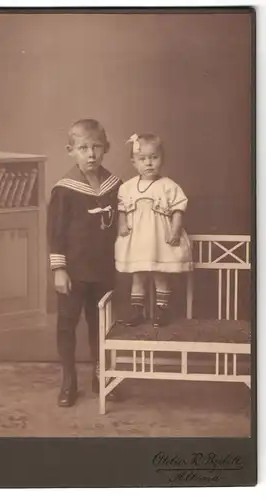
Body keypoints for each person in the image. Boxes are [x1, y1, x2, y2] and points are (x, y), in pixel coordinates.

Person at [47, 119, 122, 407]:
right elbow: (55, 233)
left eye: (96, 147)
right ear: (71, 150)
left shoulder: (117, 186)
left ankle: (101, 376)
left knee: (101, 325)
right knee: (67, 324)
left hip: (103, 270)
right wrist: (59, 269)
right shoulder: (64, 189)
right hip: (73, 272)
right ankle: (69, 382)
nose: (91, 154)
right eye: (83, 148)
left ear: (106, 148)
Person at [115, 133, 193, 327]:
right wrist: (123, 224)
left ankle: (161, 310)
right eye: (143, 159)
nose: (148, 163)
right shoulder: (128, 187)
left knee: (160, 274)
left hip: (159, 238)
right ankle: (137, 311)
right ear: (134, 162)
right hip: (139, 239)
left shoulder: (168, 186)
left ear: (162, 159)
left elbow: (178, 210)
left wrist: (175, 231)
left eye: (154, 158)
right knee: (138, 275)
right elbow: (122, 209)